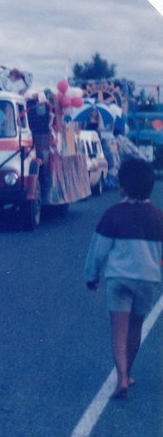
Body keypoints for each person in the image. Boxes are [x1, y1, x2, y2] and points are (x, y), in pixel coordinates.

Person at [84, 159, 163, 399]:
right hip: (147, 280)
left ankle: (121, 378)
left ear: (123, 187)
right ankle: (128, 372)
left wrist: (92, 276)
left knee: (119, 330)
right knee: (136, 327)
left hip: (119, 280)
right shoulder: (158, 216)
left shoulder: (113, 214)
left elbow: (98, 249)